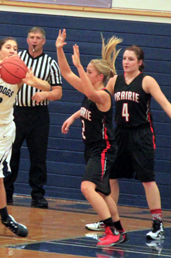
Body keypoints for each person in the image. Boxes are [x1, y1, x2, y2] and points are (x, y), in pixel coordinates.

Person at [85, 44, 171, 240]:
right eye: (124, 58)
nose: (126, 62)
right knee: (110, 178)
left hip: (141, 134)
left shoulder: (146, 81)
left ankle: (157, 223)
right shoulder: (115, 81)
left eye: (130, 59)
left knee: (147, 179)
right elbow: (96, 99)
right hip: (120, 134)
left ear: (140, 62)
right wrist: (75, 116)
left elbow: (163, 101)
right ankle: (108, 220)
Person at [0, 37, 51, 237]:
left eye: (15, 48)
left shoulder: (18, 74)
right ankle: (6, 218)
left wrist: (33, 81)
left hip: (2, 131)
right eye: (8, 47)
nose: (13, 50)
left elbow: (47, 87)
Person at [57, 29, 127, 247]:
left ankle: (110, 231)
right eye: (85, 70)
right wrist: (59, 49)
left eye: (88, 71)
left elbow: (90, 94)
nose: (84, 74)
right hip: (92, 148)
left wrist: (79, 65)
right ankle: (120, 230)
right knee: (102, 193)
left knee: (87, 187)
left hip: (103, 148)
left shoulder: (103, 95)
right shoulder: (90, 91)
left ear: (100, 77)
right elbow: (67, 74)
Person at [4, 26, 62, 209]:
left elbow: (58, 92)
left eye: (38, 37)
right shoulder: (16, 59)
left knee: (38, 156)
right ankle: (6, 192)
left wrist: (45, 95)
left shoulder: (51, 63)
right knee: (10, 153)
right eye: (31, 37)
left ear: (43, 41)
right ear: (27, 40)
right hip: (16, 112)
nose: (34, 40)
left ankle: (37, 195)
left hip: (39, 115)